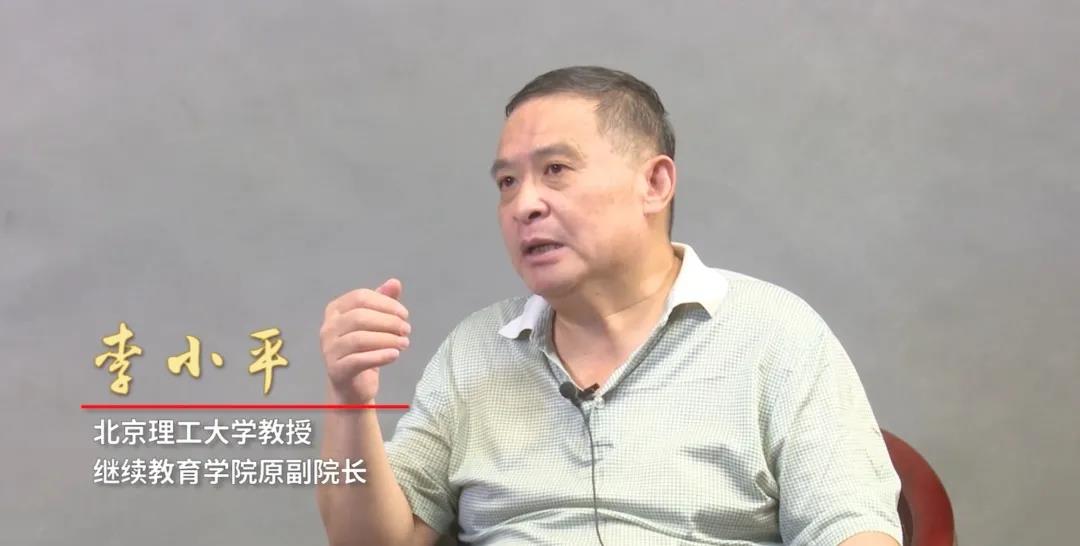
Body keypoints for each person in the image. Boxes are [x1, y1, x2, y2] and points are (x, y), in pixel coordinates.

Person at [316, 66, 903, 546]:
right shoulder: (474, 350)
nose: (524, 205)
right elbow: (370, 542)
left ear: (655, 184)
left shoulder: (774, 334)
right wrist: (348, 400)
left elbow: (853, 529)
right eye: (507, 183)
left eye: (555, 170)